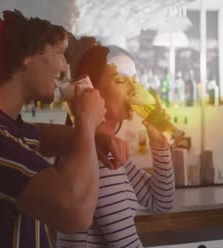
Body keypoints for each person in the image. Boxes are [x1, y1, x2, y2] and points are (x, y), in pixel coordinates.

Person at [0, 10, 128, 247]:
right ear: (27, 56)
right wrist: (86, 122)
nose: (64, 68)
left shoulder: (6, 125)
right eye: (59, 53)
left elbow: (40, 136)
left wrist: (95, 136)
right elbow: (76, 213)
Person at [57, 45, 175, 247]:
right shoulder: (99, 160)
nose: (134, 89)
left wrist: (160, 145)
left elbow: (161, 202)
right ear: (90, 91)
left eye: (135, 81)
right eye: (121, 80)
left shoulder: (103, 150)